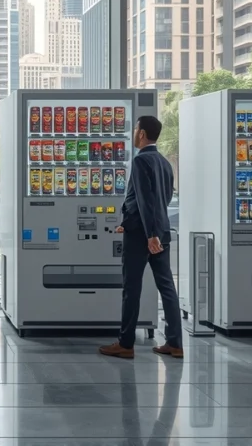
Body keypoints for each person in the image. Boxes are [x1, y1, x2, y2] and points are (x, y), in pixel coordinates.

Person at [100, 115, 183, 359]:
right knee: (167, 287)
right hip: (161, 231)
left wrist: (149, 234)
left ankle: (125, 344)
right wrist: (132, 223)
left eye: (136, 129)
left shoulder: (140, 161)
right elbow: (161, 200)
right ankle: (175, 342)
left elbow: (146, 202)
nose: (134, 133)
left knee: (131, 288)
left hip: (143, 237)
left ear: (143, 133)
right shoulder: (165, 162)